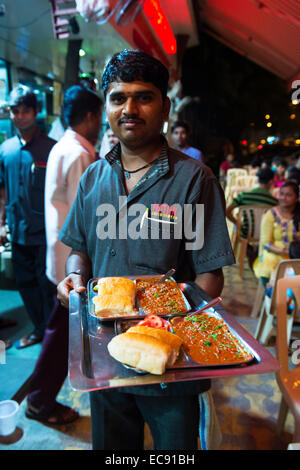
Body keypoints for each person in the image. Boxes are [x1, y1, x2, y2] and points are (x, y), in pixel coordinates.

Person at [56, 49, 235, 451]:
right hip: (104, 355)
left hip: (168, 364)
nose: (130, 108)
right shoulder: (93, 178)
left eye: (144, 96)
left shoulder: (194, 179)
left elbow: (210, 271)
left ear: (165, 106)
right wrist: (75, 276)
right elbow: (79, 249)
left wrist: (183, 342)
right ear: (106, 107)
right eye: (118, 98)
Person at [25, 85, 102, 425]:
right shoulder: (80, 154)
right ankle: (39, 401)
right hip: (71, 262)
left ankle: (40, 397)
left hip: (60, 256)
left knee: (58, 332)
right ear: (90, 116)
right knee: (58, 336)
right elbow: (86, 214)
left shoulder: (64, 147)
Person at [0, 85, 56, 348]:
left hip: (46, 232)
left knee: (47, 285)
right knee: (24, 283)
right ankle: (39, 329)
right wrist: (2, 223)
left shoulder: (51, 149)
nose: (19, 116)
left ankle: (51, 333)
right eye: (15, 111)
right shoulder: (6, 149)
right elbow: (2, 189)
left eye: (25, 111)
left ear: (35, 113)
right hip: (17, 230)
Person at [226, 167, 278, 268]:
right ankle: (257, 255)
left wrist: (237, 222)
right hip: (265, 235)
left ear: (257, 179)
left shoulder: (243, 196)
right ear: (271, 182)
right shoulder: (274, 202)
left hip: (246, 232)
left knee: (244, 231)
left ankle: (250, 251)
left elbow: (227, 211)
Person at [253, 181, 300, 287]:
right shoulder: (271, 215)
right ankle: (272, 294)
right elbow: (266, 244)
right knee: (270, 263)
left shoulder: (298, 215)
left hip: (295, 256)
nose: (283, 197)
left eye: (288, 195)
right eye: (282, 194)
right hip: (274, 254)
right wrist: (285, 251)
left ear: (297, 198)